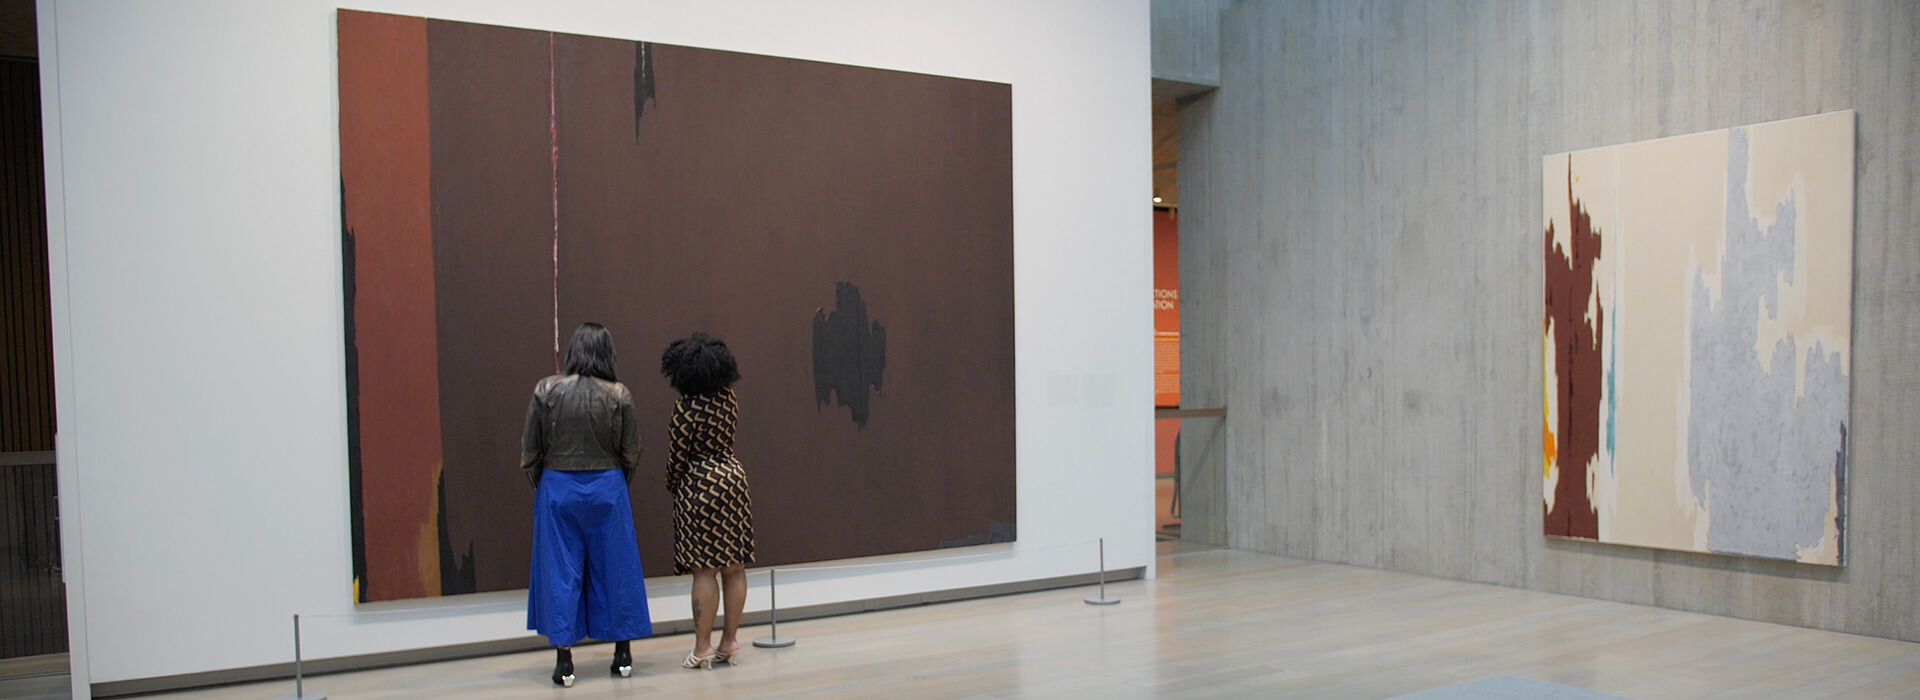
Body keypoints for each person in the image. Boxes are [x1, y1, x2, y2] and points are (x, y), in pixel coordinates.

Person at [522, 322, 653, 687]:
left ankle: (564, 661)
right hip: (608, 487)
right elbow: (631, 452)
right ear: (607, 352)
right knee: (616, 568)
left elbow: (531, 451)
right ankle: (623, 654)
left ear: (573, 350)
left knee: (560, 572)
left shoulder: (546, 389)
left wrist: (546, 484)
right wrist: (613, 482)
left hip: (558, 487)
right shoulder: (619, 394)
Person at [659, 332, 756, 670]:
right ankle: (729, 641)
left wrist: (673, 484)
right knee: (734, 566)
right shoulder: (729, 399)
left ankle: (702, 647)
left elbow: (678, 458)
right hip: (733, 478)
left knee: (704, 569)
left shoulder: (685, 409)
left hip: (699, 486)